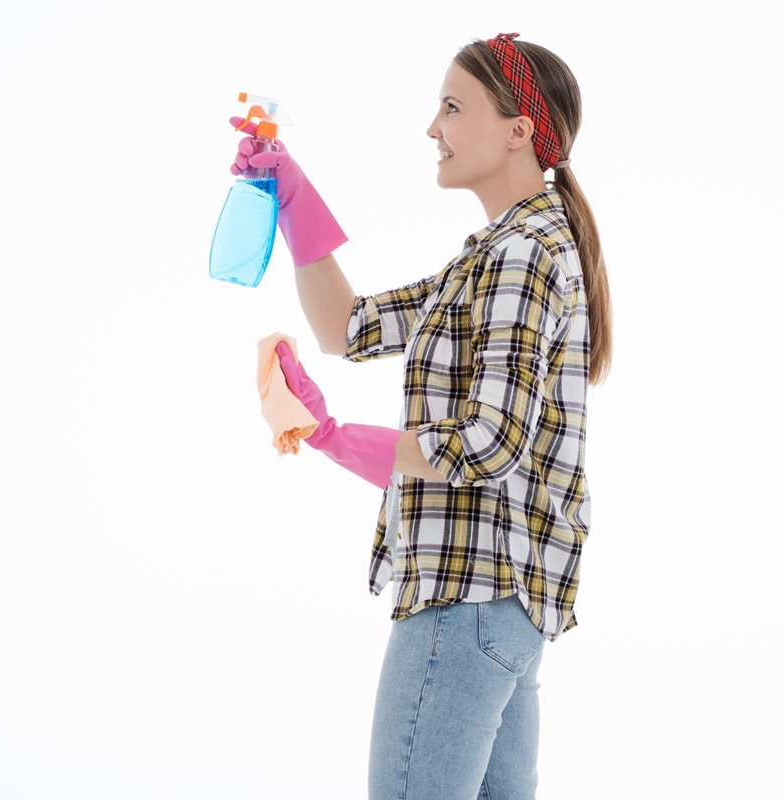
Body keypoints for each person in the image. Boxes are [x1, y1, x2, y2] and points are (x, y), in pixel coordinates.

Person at [230, 32, 611, 800]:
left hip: (465, 598)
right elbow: (349, 328)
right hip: (501, 611)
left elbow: (489, 442)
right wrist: (295, 196)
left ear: (518, 130)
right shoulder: (497, 251)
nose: (431, 128)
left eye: (451, 106)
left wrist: (333, 437)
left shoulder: (522, 254)